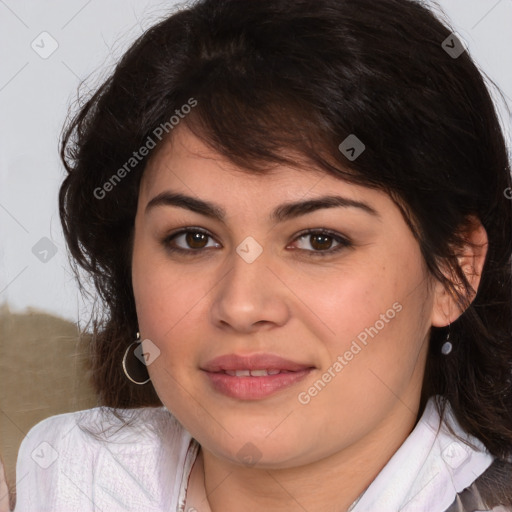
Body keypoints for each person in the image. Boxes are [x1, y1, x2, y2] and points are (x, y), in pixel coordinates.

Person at [12, 0, 512, 510]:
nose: (242, 306)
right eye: (193, 238)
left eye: (320, 240)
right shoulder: (63, 479)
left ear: (454, 271)